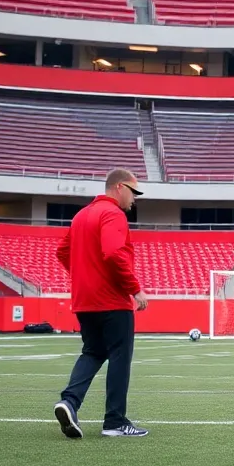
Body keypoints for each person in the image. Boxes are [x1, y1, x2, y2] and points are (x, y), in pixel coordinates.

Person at [53, 169, 151, 439]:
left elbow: (62, 252)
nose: (135, 199)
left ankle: (69, 402)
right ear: (119, 187)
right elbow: (112, 252)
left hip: (84, 301)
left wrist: (86, 276)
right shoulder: (113, 214)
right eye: (134, 191)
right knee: (120, 356)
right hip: (112, 301)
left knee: (93, 352)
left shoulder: (81, 215)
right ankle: (115, 422)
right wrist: (136, 290)